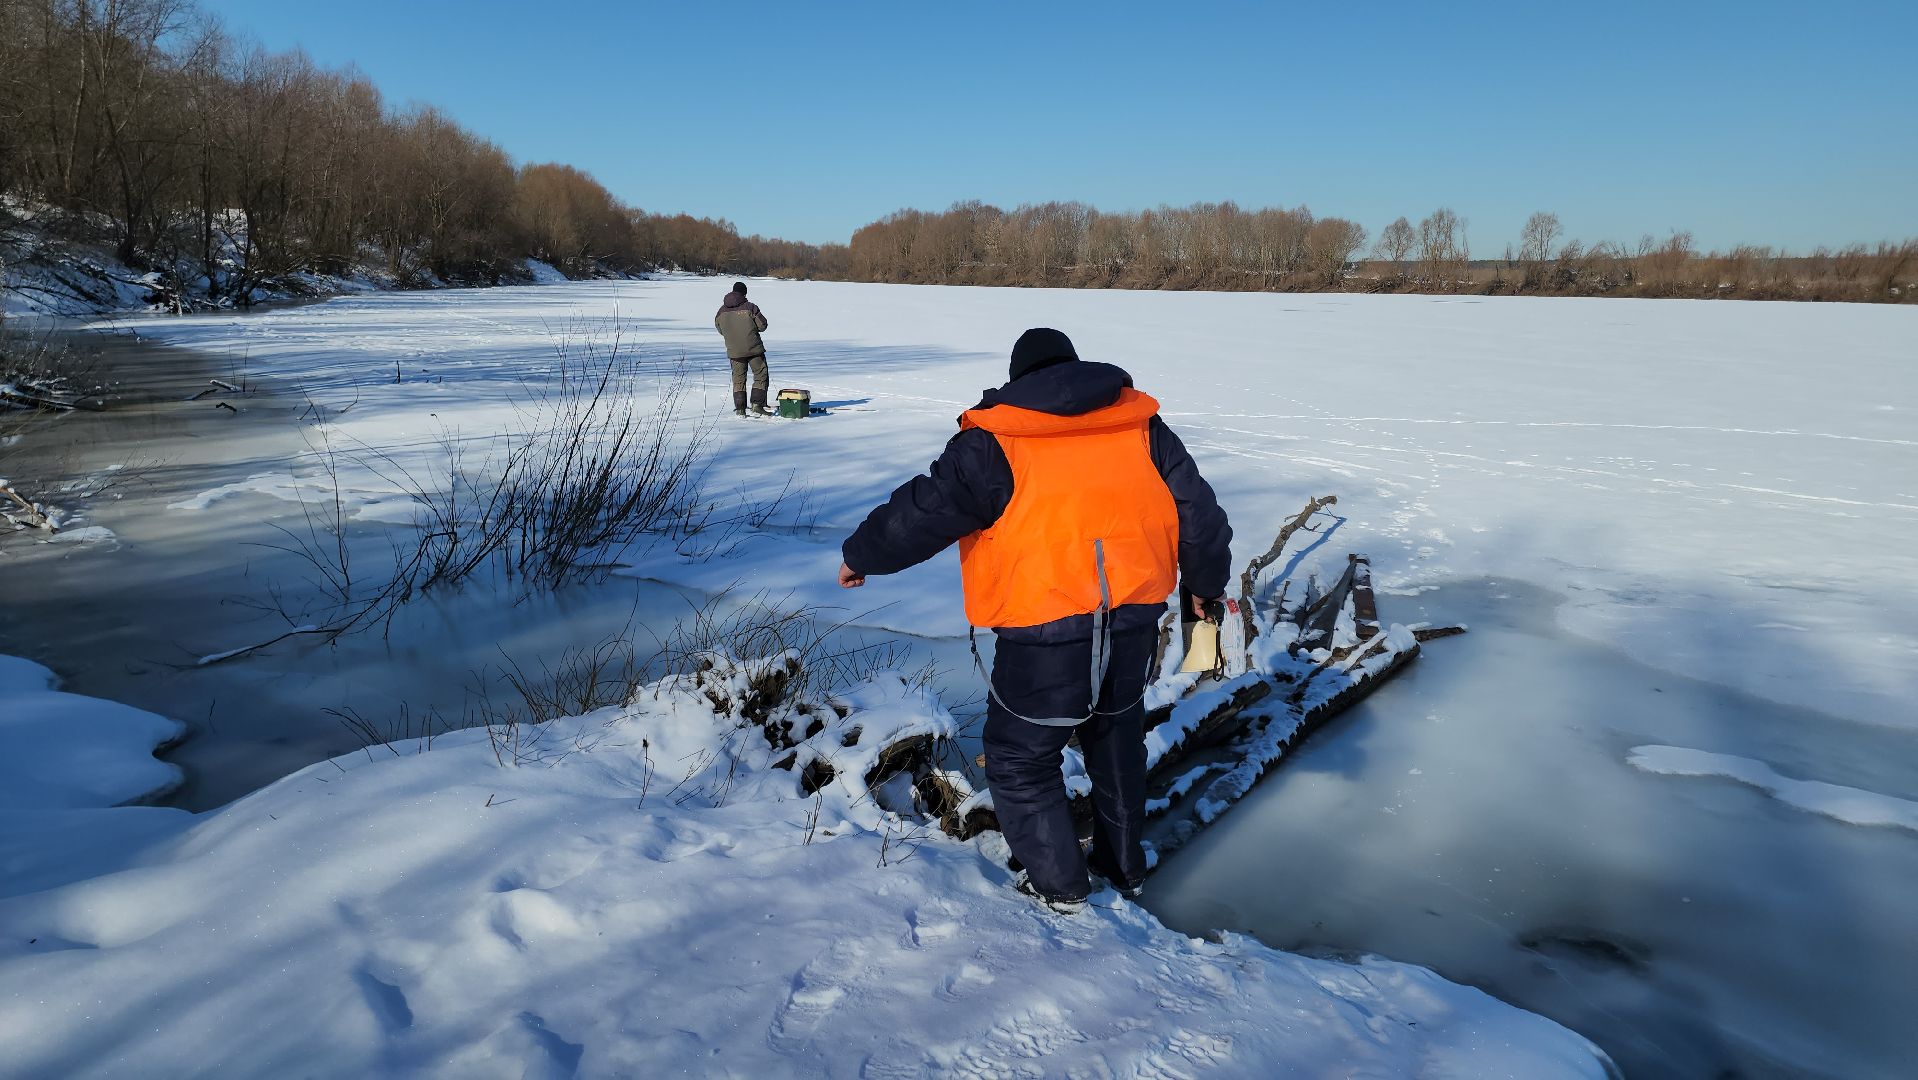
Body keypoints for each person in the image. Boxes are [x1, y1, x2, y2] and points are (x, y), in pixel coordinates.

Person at [837, 328, 1232, 913]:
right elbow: (1199, 515)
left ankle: (1062, 890)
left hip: (1044, 629)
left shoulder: (998, 438)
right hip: (1133, 619)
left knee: (1020, 759)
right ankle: (1123, 868)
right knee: (1114, 735)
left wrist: (860, 556)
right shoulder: (1141, 427)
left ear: (1020, 380)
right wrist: (1204, 588)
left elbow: (922, 510)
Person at [714, 281, 772, 417]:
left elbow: (720, 329)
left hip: (734, 351)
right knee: (760, 374)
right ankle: (757, 405)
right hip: (754, 349)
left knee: (738, 379)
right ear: (744, 293)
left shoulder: (721, 311)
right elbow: (763, 325)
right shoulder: (750, 307)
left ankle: (740, 409)